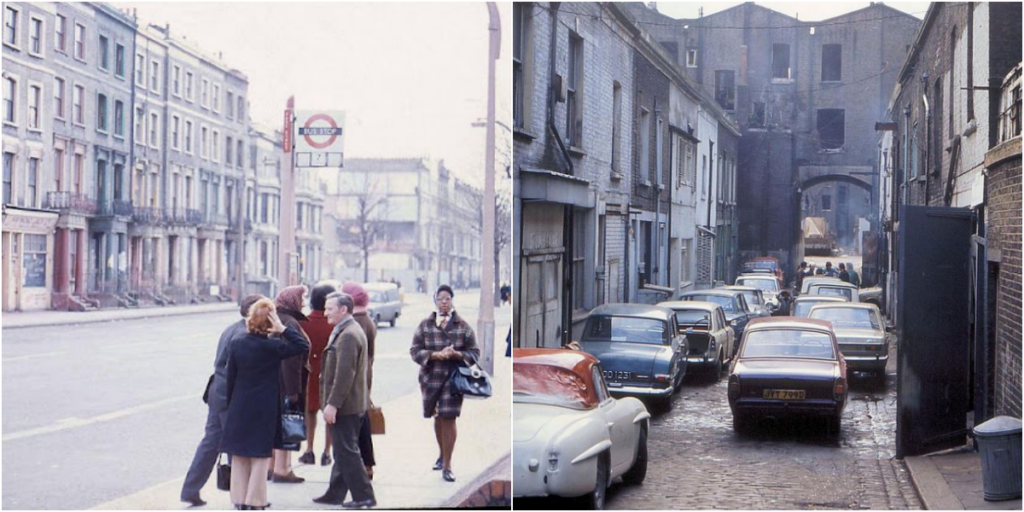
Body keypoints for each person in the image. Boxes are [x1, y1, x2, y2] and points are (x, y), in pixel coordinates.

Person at [221, 298, 310, 511]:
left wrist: (231, 403)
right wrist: (282, 329)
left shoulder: (237, 343)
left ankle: (239, 499)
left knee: (240, 453)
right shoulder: (274, 347)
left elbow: (230, 377)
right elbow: (302, 345)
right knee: (260, 455)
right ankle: (256, 500)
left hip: (240, 404)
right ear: (271, 321)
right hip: (265, 407)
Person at [181, 294, 264, 507]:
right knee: (237, 447)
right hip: (231, 394)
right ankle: (240, 497)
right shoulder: (246, 334)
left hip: (217, 392)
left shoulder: (232, 328)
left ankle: (191, 489)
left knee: (211, 442)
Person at [410, 285, 481, 483]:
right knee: (438, 417)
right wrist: (434, 355)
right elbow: (414, 351)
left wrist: (457, 354)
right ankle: (442, 455)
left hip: (453, 380)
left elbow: (475, 353)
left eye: (447, 298)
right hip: (430, 380)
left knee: (449, 417)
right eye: (440, 298)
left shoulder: (462, 326)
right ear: (435, 301)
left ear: (452, 300)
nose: (444, 302)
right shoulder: (425, 325)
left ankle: (448, 466)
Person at [312, 292, 376, 508]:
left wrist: (332, 404)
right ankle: (335, 493)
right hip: (352, 404)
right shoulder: (347, 329)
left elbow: (344, 374)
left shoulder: (348, 334)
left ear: (344, 310)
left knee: (347, 452)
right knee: (342, 450)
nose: (325, 312)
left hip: (346, 406)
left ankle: (364, 496)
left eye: (330, 308)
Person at [270, 285, 310, 483]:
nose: (303, 303)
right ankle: (282, 469)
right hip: (286, 384)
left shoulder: (276, 318)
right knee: (287, 424)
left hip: (273, 381)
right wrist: (294, 391)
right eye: (301, 299)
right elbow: (292, 360)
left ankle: (271, 466)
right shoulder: (290, 323)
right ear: (292, 301)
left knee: (275, 425)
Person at [298, 283, 337, 468]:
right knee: (329, 413)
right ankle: (326, 452)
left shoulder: (304, 322)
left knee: (309, 411)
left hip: (309, 370)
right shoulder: (334, 324)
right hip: (329, 371)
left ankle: (309, 449)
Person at [343, 282, 377, 480]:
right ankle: (367, 464)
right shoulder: (366, 319)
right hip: (364, 377)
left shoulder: (356, 323)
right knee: (362, 423)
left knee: (356, 425)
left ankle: (363, 465)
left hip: (357, 380)